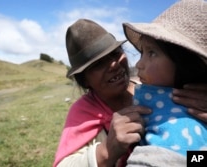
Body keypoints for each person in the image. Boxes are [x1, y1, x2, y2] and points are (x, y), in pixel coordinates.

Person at [53, 18, 207, 167]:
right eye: (98, 64)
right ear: (85, 80)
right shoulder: (83, 112)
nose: (114, 64)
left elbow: (192, 159)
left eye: (115, 53)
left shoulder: (157, 87)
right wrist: (107, 150)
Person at [122, 0, 207, 166]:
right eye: (142, 53)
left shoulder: (178, 130)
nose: (139, 64)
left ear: (184, 63)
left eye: (152, 53)